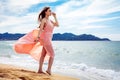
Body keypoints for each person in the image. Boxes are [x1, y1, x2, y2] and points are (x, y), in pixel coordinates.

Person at [14, 6, 59, 75]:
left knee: (43, 55)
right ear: (45, 12)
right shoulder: (44, 20)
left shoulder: (50, 20)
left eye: (50, 11)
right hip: (46, 39)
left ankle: (40, 70)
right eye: (49, 11)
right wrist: (38, 37)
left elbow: (57, 25)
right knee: (52, 54)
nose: (50, 12)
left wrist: (55, 16)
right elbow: (41, 29)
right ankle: (49, 69)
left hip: (48, 39)